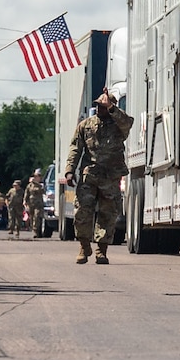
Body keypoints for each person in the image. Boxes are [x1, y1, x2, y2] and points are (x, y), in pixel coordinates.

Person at [66, 88, 132, 265]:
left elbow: (127, 122)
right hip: (90, 175)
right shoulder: (86, 125)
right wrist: (69, 170)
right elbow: (75, 148)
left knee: (108, 214)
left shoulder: (119, 125)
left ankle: (101, 250)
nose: (99, 109)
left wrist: (111, 108)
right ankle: (83, 246)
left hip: (111, 176)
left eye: (103, 106)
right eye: (97, 106)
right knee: (82, 212)